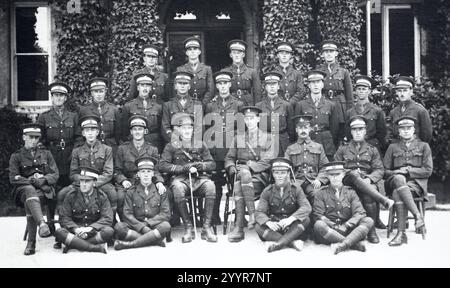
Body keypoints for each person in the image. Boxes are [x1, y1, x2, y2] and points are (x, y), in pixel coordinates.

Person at [334, 116, 394, 243]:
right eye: (354, 129)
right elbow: (336, 168)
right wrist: (348, 173)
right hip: (347, 180)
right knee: (354, 175)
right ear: (350, 132)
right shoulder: (342, 149)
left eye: (360, 129)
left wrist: (370, 179)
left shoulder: (372, 150)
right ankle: (383, 200)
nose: (357, 132)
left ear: (365, 131)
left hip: (366, 181)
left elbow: (379, 170)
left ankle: (371, 231)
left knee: (369, 195)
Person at [159, 113, 217, 243]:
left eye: (189, 128)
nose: (187, 131)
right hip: (181, 179)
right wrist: (183, 168)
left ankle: (206, 228)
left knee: (211, 186)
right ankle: (188, 227)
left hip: (199, 179)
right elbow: (162, 165)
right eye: (184, 128)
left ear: (193, 129)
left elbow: (212, 164)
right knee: (178, 188)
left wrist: (200, 166)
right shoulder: (171, 146)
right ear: (178, 130)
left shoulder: (200, 144)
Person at [224, 106, 276, 242]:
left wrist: (249, 166)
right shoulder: (238, 138)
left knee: (239, 184)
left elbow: (268, 160)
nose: (249, 121)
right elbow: (229, 157)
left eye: (252, 118)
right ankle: (252, 215)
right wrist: (231, 167)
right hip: (240, 174)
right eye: (246, 119)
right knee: (242, 176)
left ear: (258, 119)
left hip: (260, 178)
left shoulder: (268, 137)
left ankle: (239, 228)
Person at [9, 123, 58, 255]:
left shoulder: (46, 154)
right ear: (24, 137)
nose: (34, 140)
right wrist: (31, 181)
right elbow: (14, 178)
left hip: (43, 190)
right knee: (30, 192)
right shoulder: (17, 156)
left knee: (31, 201)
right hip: (22, 190)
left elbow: (55, 174)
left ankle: (31, 243)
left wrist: (43, 180)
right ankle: (42, 225)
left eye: (37, 138)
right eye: (31, 137)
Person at [383, 116, 431, 246]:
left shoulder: (424, 146)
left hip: (416, 185)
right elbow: (384, 171)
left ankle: (401, 234)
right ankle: (417, 216)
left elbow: (428, 170)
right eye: (402, 129)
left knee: (398, 193)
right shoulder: (392, 147)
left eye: (408, 128)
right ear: (398, 131)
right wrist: (397, 172)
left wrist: (408, 171)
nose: (405, 131)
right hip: (394, 180)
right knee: (399, 179)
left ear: (414, 130)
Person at [58, 115, 117, 221]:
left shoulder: (107, 149)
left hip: (100, 183)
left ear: (97, 132)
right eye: (87, 130)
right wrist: (84, 182)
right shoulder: (77, 151)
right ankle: (67, 223)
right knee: (62, 194)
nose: (90, 133)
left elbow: (108, 173)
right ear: (83, 133)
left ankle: (111, 223)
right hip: (81, 183)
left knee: (112, 193)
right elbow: (73, 173)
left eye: (93, 130)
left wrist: (93, 183)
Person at [204, 71, 244, 224]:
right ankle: (215, 216)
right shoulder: (210, 105)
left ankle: (240, 218)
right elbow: (206, 129)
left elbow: (242, 130)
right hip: (216, 150)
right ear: (217, 86)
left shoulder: (238, 104)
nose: (222, 86)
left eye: (225, 83)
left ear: (230, 85)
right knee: (216, 183)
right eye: (219, 84)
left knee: (237, 183)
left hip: (233, 151)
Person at [312, 162, 374, 255]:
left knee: (368, 220)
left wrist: (347, 225)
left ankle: (343, 244)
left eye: (337, 174)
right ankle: (352, 244)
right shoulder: (320, 193)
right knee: (319, 224)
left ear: (343, 175)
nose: (334, 177)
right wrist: (333, 225)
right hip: (330, 231)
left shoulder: (350, 192)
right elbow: (318, 215)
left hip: (348, 229)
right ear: (327, 176)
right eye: (331, 175)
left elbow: (359, 212)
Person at [114, 115, 166, 221]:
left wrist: (159, 182)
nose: (137, 132)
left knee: (165, 192)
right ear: (131, 132)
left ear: (145, 131)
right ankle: (126, 223)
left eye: (140, 129)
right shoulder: (122, 149)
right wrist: (123, 181)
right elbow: (117, 170)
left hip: (148, 181)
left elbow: (156, 170)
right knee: (120, 197)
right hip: (129, 182)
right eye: (135, 129)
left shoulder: (152, 149)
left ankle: (155, 222)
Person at [114, 156, 171, 250]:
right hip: (137, 225)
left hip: (154, 225)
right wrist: (142, 227)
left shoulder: (160, 190)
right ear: (138, 174)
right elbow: (127, 214)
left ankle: (130, 244)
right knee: (119, 226)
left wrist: (148, 224)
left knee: (166, 225)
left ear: (153, 174)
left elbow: (165, 214)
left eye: (149, 172)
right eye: (143, 172)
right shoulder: (131, 191)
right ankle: (154, 239)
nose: (146, 175)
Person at [255, 158, 311, 253]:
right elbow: (259, 212)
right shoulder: (267, 191)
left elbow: (306, 207)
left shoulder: (296, 188)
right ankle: (292, 243)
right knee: (258, 226)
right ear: (273, 174)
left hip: (292, 226)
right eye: (276, 173)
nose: (279, 176)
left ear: (288, 173)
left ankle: (279, 244)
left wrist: (291, 219)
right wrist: (268, 223)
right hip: (275, 226)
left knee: (306, 219)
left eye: (283, 173)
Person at [55, 166, 113, 254]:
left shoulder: (102, 196)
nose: (84, 184)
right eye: (82, 181)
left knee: (109, 231)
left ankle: (73, 244)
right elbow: (64, 218)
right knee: (59, 232)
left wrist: (90, 228)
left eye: (87, 181)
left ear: (94, 183)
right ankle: (95, 248)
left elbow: (107, 218)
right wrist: (76, 229)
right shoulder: (71, 195)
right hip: (76, 230)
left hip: (93, 231)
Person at [38, 82, 79, 190]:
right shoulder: (44, 117)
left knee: (70, 185)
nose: (59, 98)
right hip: (52, 155)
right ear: (51, 97)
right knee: (52, 185)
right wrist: (46, 156)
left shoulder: (73, 116)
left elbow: (79, 138)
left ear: (65, 98)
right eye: (56, 95)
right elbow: (40, 140)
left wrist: (75, 152)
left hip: (69, 155)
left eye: (61, 95)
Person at [295, 70, 342, 160]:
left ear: (323, 84)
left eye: (318, 82)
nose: (315, 85)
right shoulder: (301, 105)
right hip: (307, 143)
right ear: (309, 85)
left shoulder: (331, 105)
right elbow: (297, 128)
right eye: (312, 83)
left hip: (326, 144)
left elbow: (335, 129)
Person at [284, 115, 328, 205]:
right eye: (300, 128)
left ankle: (316, 217)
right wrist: (290, 182)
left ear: (310, 129)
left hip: (313, 181)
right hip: (296, 181)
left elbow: (325, 167)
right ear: (296, 130)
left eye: (305, 127)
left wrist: (319, 179)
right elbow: (285, 168)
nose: (303, 130)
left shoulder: (318, 147)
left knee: (317, 194)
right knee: (290, 195)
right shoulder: (290, 148)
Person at [121, 73, 163, 152]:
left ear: (150, 88)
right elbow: (124, 131)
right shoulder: (129, 106)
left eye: (147, 86)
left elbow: (161, 130)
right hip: (135, 144)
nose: (145, 88)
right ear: (138, 87)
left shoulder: (158, 107)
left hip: (154, 144)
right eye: (142, 85)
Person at [256, 71, 295, 156]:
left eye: (274, 84)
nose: (272, 87)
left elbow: (291, 129)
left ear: (278, 86)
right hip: (265, 143)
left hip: (283, 142)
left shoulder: (286, 105)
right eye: (269, 84)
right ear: (265, 87)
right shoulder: (259, 106)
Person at [79, 77, 120, 153]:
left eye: (101, 91)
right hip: (92, 149)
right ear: (91, 93)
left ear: (105, 92)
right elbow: (81, 135)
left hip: (111, 147)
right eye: (96, 91)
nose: (99, 94)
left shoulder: (113, 109)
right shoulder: (84, 111)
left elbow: (119, 134)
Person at [161, 71, 203, 144]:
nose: (182, 86)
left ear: (189, 86)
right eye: (180, 83)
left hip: (192, 144)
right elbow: (165, 128)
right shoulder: (168, 105)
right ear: (175, 86)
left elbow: (199, 127)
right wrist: (175, 140)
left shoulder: (197, 104)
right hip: (173, 144)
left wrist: (189, 140)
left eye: (185, 83)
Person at [387, 76, 432, 143]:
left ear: (411, 91)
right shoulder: (393, 112)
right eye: (399, 91)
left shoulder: (420, 110)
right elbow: (390, 134)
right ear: (396, 92)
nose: (402, 94)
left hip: (415, 150)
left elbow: (426, 136)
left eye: (405, 90)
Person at [316, 40, 353, 119]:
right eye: (326, 52)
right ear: (322, 54)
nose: (329, 54)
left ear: (336, 53)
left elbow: (349, 95)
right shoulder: (318, 71)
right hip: (323, 105)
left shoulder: (343, 71)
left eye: (331, 51)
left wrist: (350, 112)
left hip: (339, 106)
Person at [221, 39, 262, 106]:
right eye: (234, 53)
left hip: (248, 104)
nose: (236, 55)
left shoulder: (252, 71)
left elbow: (257, 93)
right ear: (231, 55)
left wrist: (256, 108)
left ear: (243, 54)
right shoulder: (225, 72)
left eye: (239, 53)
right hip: (231, 104)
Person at [176, 36, 214, 105]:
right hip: (186, 105)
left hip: (203, 104)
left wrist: (203, 104)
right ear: (186, 53)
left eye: (195, 49)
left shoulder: (207, 69)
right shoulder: (181, 69)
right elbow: (177, 90)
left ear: (199, 52)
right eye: (190, 49)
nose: (193, 51)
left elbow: (210, 90)